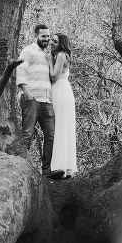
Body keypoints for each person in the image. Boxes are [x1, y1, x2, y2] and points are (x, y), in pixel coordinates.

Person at [15, 24, 60, 178]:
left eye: (48, 36)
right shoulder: (28, 51)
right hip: (32, 99)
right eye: (44, 36)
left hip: (47, 101)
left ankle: (46, 171)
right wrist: (26, 92)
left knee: (51, 135)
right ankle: (21, 170)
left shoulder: (47, 55)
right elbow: (20, 70)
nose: (47, 39)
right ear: (37, 36)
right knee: (27, 134)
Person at [49, 33, 77, 178]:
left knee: (59, 128)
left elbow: (54, 77)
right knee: (63, 128)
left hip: (60, 91)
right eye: (51, 40)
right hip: (62, 91)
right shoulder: (61, 55)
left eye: (54, 41)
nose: (51, 43)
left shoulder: (61, 55)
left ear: (61, 44)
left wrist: (48, 61)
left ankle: (59, 167)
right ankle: (66, 167)